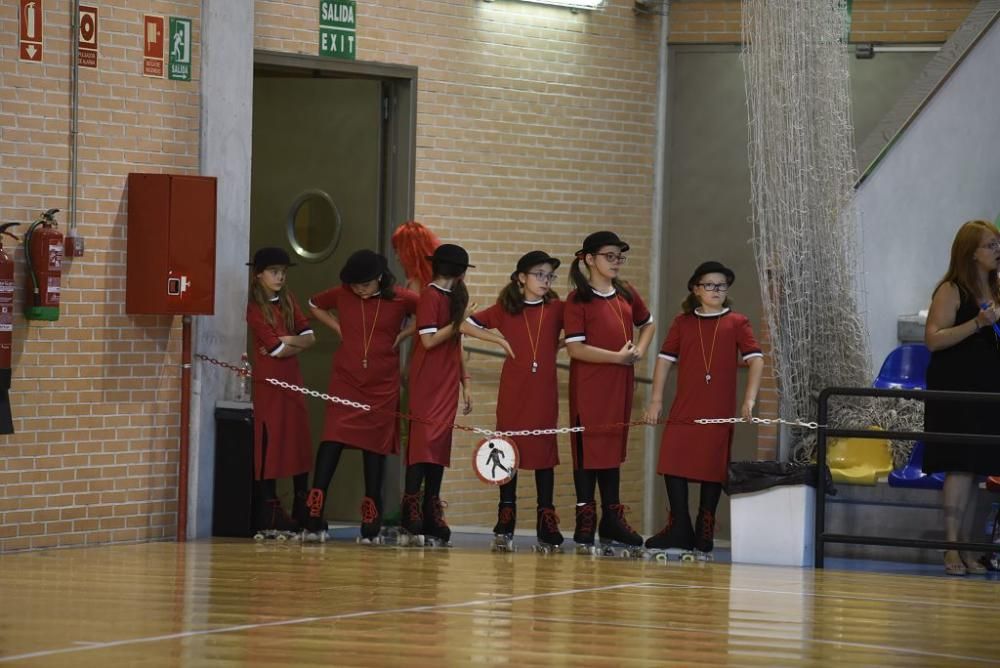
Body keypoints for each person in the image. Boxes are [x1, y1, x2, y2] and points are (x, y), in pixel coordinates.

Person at [642, 261, 764, 556]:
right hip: (685, 408)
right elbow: (664, 361)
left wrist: (749, 399)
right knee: (672, 462)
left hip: (718, 409)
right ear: (696, 289)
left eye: (721, 285)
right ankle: (679, 526)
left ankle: (704, 528)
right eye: (709, 285)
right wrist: (656, 401)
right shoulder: (682, 323)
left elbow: (756, 359)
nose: (716, 290)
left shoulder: (737, 322)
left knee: (712, 468)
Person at [302, 250, 419, 542]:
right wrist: (339, 328)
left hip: (382, 384)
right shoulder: (342, 294)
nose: (359, 289)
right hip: (346, 380)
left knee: (374, 446)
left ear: (380, 278)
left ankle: (371, 514)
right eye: (355, 285)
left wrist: (405, 334)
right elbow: (313, 304)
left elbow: (431, 314)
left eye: (365, 284)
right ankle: (314, 509)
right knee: (333, 438)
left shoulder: (401, 298)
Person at [465, 250, 566, 549]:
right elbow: (464, 324)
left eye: (549, 276)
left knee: (544, 452)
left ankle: (545, 518)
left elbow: (578, 332)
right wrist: (498, 339)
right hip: (513, 392)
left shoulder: (558, 309)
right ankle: (506, 514)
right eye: (539, 275)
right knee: (507, 449)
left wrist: (557, 346)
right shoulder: (504, 309)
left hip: (544, 392)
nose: (545, 280)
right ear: (521, 278)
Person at [564, 231, 655, 551]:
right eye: (609, 256)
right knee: (587, 451)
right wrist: (616, 358)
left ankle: (612, 519)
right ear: (589, 259)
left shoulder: (626, 292)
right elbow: (575, 349)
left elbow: (649, 323)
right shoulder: (578, 299)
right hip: (589, 386)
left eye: (619, 257)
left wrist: (639, 351)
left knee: (612, 449)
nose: (616, 262)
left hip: (620, 385)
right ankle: (585, 519)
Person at [923, 220, 1000, 576]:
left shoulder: (998, 289)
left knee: (980, 468)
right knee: (959, 465)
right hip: (956, 386)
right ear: (971, 253)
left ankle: (969, 546)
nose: (998, 251)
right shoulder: (952, 289)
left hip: (989, 387)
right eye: (990, 245)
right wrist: (978, 323)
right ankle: (951, 546)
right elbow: (933, 339)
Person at [401, 243, 491, 545]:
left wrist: (466, 383)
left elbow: (457, 342)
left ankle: (432, 507)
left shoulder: (455, 298)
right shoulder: (429, 296)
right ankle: (411, 507)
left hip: (448, 380)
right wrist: (459, 321)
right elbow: (428, 342)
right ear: (461, 271)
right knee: (422, 444)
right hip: (427, 379)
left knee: (438, 445)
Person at [245, 247, 315, 533]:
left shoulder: (288, 300)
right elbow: (275, 348)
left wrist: (288, 341)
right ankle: (270, 508)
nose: (280, 277)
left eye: (283, 273)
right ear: (259, 274)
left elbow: (310, 338)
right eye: (274, 272)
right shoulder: (254, 307)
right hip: (270, 384)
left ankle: (302, 502)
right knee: (270, 444)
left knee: (298, 439)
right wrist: (288, 341)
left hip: (292, 380)